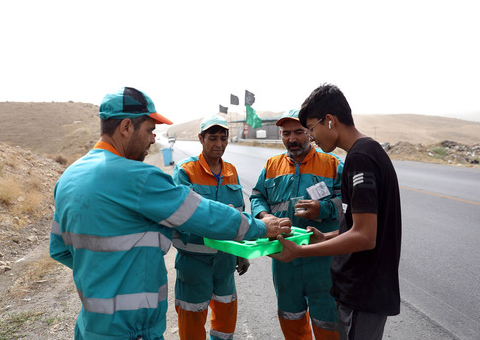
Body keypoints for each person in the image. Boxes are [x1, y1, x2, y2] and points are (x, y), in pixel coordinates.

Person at [49, 87, 292, 340]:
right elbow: (202, 214)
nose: (153, 139)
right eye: (149, 130)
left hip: (90, 327)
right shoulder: (139, 179)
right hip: (133, 330)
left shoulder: (68, 178)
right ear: (126, 128)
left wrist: (104, 274)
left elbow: (59, 249)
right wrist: (262, 228)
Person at [272, 84, 402, 340]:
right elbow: (359, 226)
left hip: (363, 292)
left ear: (329, 121)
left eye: (311, 129)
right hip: (363, 290)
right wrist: (327, 237)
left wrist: (301, 250)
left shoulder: (360, 158)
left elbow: (365, 236)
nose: (313, 137)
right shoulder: (368, 151)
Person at [250, 109, 343, 340]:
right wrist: (264, 215)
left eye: (299, 132)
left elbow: (350, 204)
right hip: (284, 259)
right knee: (291, 318)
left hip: (322, 258)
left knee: (328, 321)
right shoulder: (271, 165)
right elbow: (257, 196)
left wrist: (323, 208)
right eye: (286, 133)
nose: (292, 139)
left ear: (310, 133)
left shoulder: (332, 164)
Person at [172, 115, 250, 340]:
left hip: (225, 263)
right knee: (192, 322)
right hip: (193, 263)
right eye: (213, 138)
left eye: (223, 138)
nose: (219, 144)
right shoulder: (185, 171)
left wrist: (241, 252)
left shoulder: (231, 171)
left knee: (225, 322)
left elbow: (240, 215)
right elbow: (183, 217)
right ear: (201, 138)